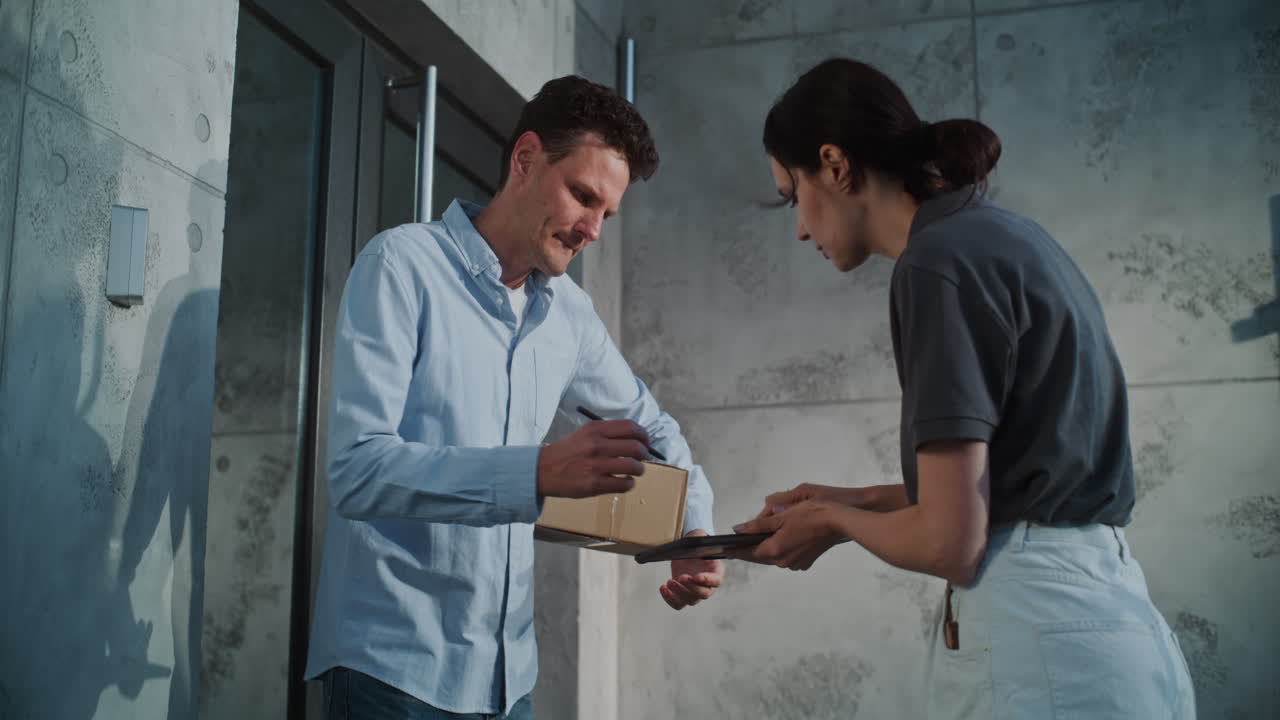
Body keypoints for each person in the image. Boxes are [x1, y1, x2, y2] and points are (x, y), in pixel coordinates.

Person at [730, 58, 1195, 719]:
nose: (800, 227)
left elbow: (951, 542)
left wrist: (833, 522)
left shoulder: (935, 264)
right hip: (1111, 628)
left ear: (835, 165)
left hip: (1042, 648)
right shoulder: (1007, 237)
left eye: (790, 193)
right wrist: (850, 498)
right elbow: (1016, 484)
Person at [305, 75, 723, 719]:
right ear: (525, 159)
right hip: (390, 675)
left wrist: (694, 528)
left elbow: (653, 427)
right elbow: (358, 471)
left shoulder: (570, 316)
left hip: (508, 683)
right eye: (583, 197)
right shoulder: (401, 266)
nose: (592, 229)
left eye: (606, 213)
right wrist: (536, 471)